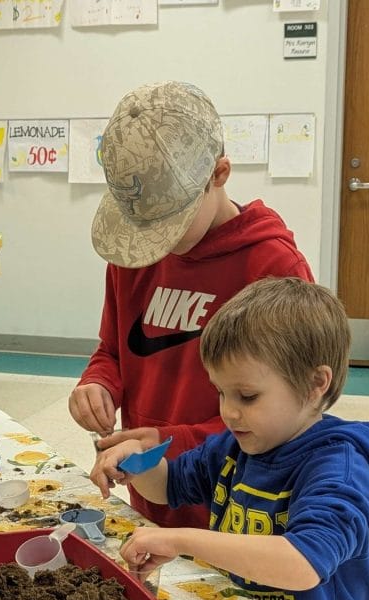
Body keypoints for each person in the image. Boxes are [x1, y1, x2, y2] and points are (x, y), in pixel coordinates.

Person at [90, 277, 369, 600]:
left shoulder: (339, 467)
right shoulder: (236, 445)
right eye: (221, 393)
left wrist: (179, 541)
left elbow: (302, 564)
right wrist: (138, 466)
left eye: (247, 396)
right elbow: (171, 486)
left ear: (315, 384)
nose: (229, 413)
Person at [68, 80, 313, 529]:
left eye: (170, 224)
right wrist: (98, 384)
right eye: (145, 228)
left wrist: (168, 442)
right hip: (150, 488)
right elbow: (112, 350)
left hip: (232, 502)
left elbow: (291, 414)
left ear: (219, 174)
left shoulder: (272, 268)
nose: (156, 242)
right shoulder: (135, 253)